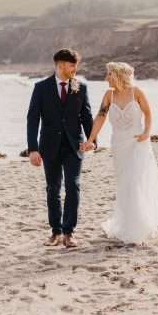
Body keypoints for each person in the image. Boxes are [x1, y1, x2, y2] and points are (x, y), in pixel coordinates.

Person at [82, 62, 158, 244]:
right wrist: (90, 139)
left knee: (135, 182)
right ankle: (127, 224)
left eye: (109, 75)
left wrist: (147, 132)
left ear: (117, 75)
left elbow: (148, 113)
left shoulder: (136, 92)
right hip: (119, 145)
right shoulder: (109, 95)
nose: (106, 78)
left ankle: (139, 226)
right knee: (125, 184)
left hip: (138, 142)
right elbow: (100, 116)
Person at [26, 48, 95, 248]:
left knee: (73, 186)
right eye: (72, 65)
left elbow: (86, 116)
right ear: (60, 65)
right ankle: (55, 231)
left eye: (76, 65)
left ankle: (69, 232)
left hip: (75, 146)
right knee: (53, 189)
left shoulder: (80, 87)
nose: (75, 69)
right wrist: (33, 149)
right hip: (49, 147)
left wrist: (92, 140)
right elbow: (33, 119)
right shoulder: (41, 88)